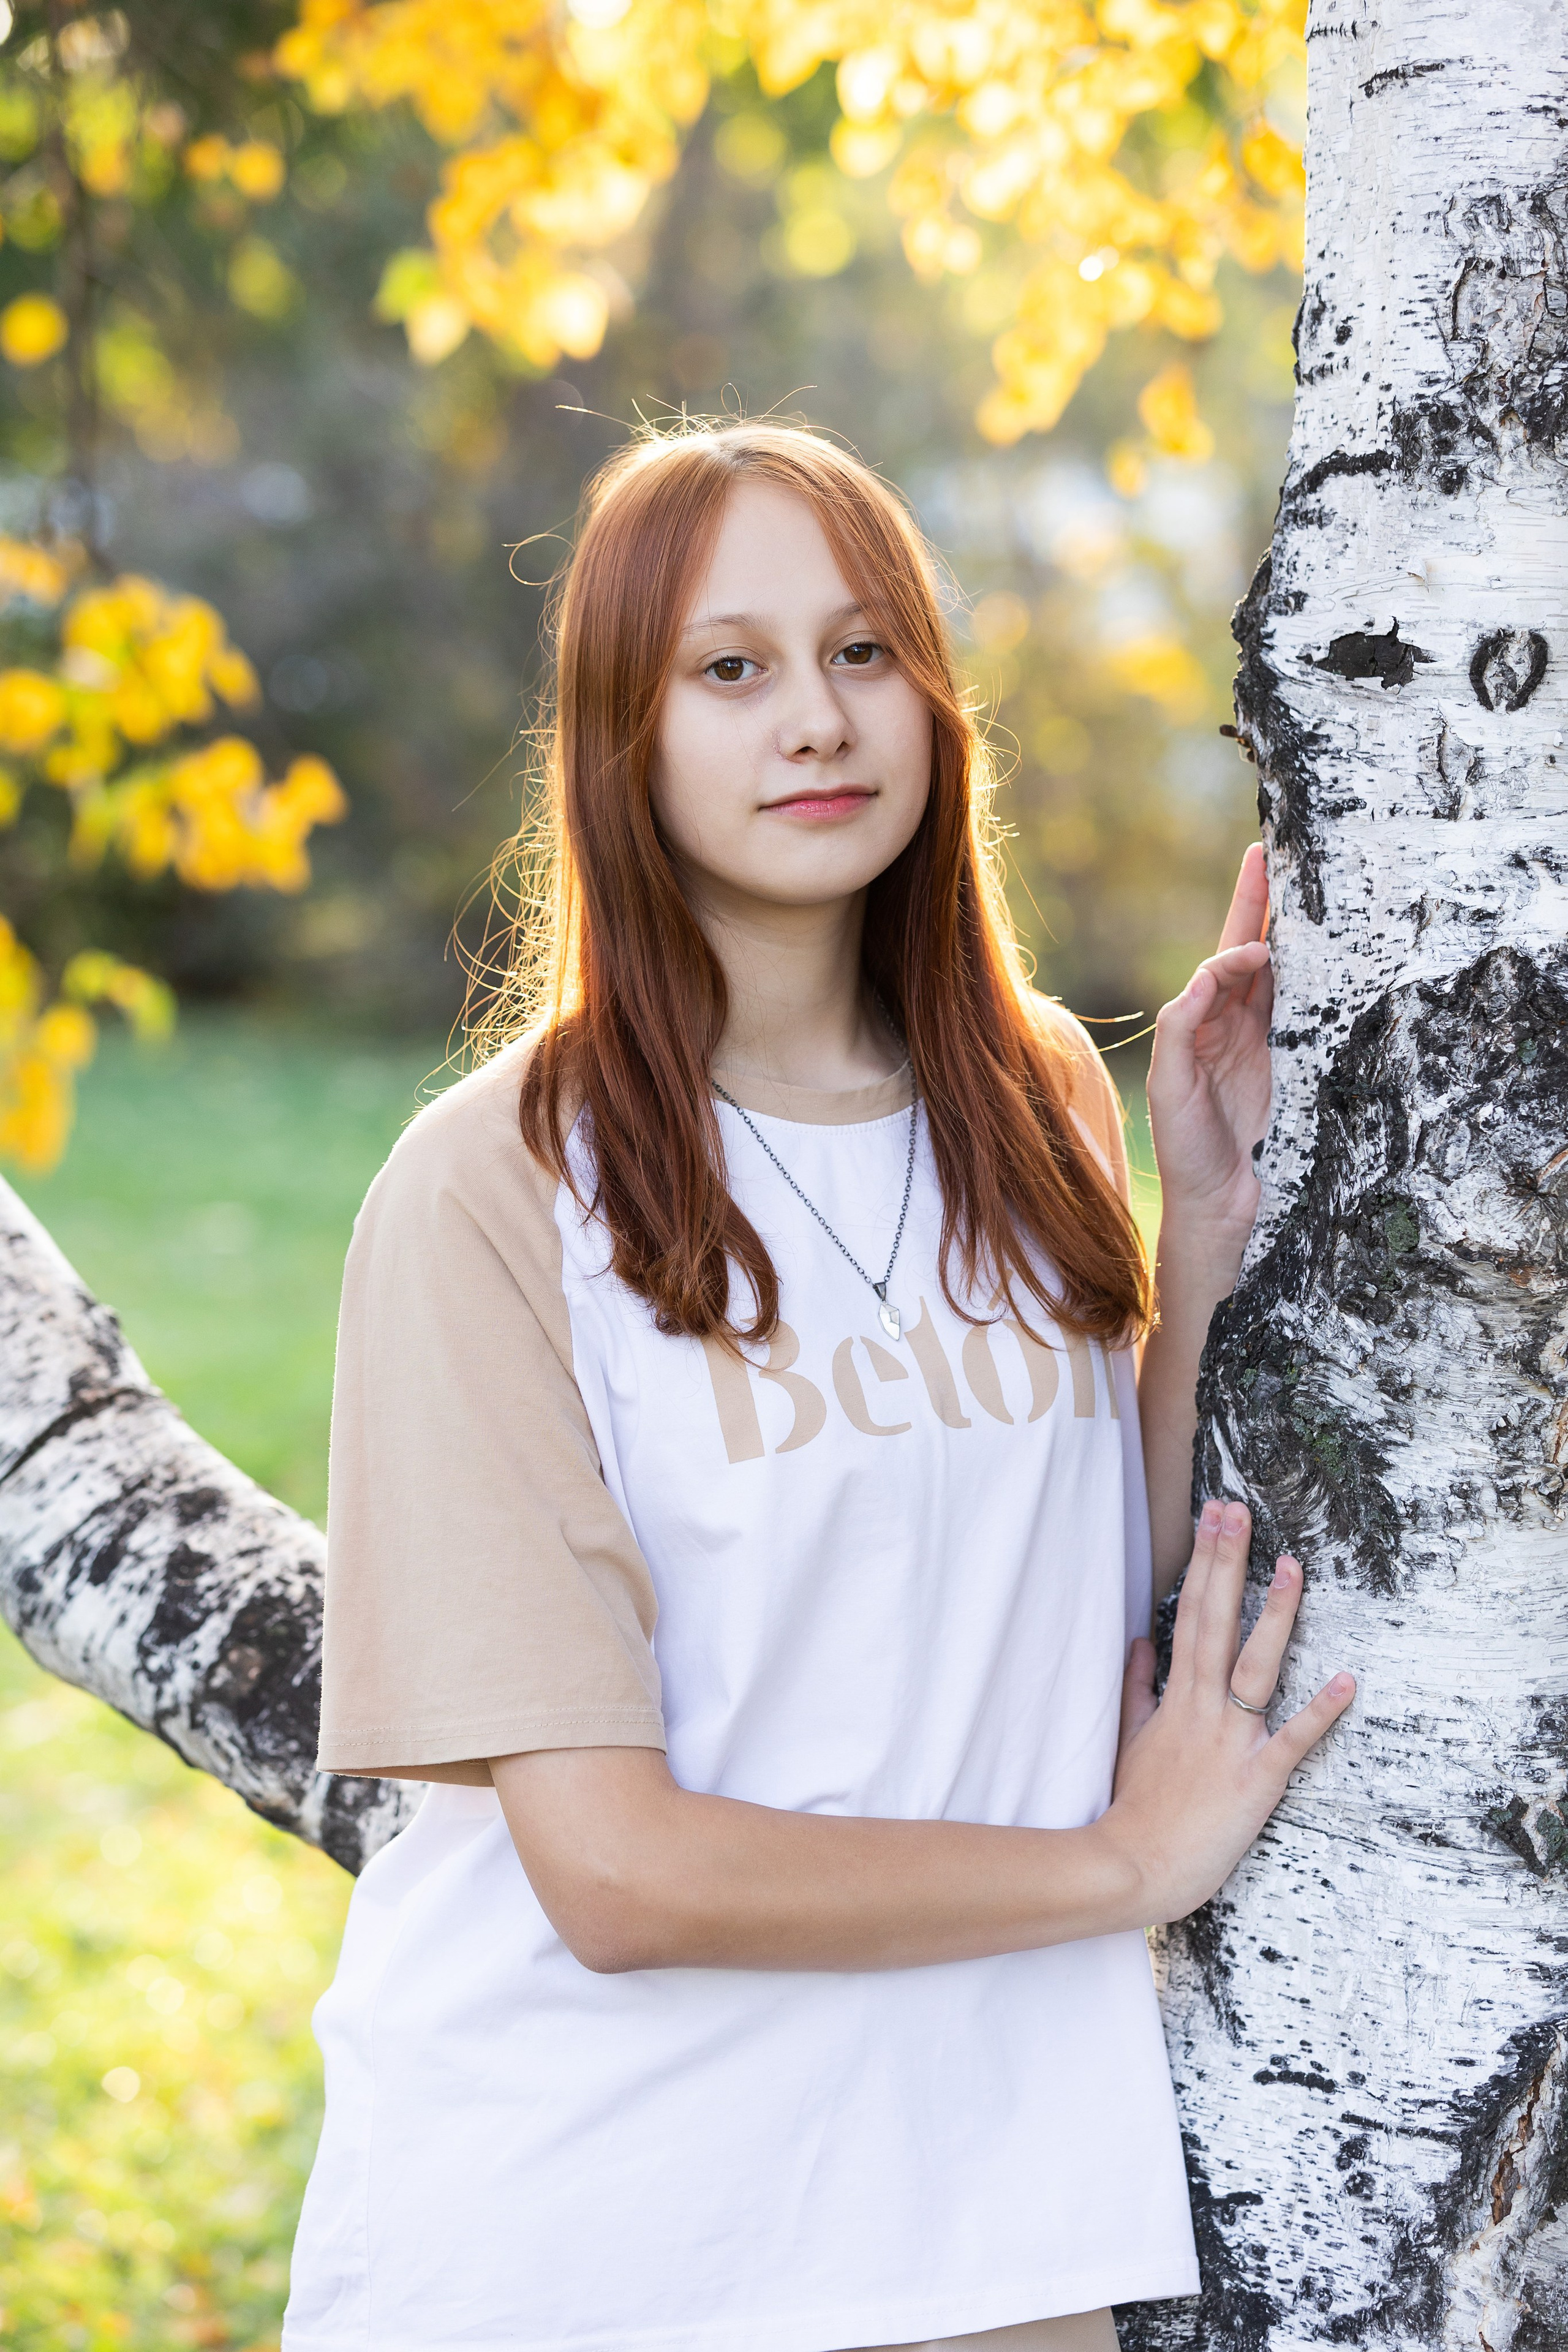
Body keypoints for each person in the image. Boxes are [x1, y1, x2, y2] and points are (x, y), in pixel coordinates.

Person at [281, 420, 1354, 2352]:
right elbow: (614, 1874)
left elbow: (1075, 1583)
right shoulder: (496, 1185)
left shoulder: (1031, 1091)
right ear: (623, 736)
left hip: (995, 2221)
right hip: (598, 2242)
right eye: (732, 668)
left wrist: (1200, 1223)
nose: (817, 720)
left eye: (865, 651)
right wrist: (1124, 1866)